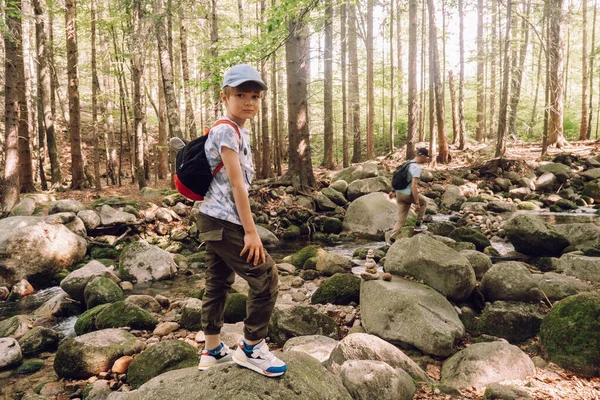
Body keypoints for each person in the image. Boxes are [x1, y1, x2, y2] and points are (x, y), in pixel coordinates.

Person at [195, 64, 286, 377]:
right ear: (225, 96)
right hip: (223, 221)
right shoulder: (226, 131)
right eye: (241, 94)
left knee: (217, 282)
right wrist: (251, 232)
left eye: (255, 96)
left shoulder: (236, 130)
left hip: (212, 218)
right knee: (266, 275)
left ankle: (212, 349)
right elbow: (236, 184)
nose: (249, 101)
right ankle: (250, 347)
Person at [389, 147, 431, 239]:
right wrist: (417, 202)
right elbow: (414, 186)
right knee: (424, 202)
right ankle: (418, 224)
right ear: (422, 156)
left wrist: (393, 191)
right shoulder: (416, 167)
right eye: (426, 157)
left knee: (401, 220)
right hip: (407, 194)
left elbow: (398, 178)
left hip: (399, 194)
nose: (426, 159)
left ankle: (391, 240)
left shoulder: (406, 163)